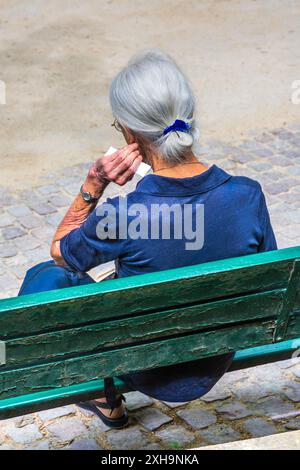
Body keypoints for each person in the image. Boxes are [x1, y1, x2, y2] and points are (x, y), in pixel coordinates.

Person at [19, 50, 277, 429]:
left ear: (128, 132)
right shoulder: (247, 195)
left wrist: (94, 183)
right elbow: (265, 280)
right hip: (214, 357)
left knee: (47, 277)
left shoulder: (126, 215)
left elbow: (61, 252)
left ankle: (103, 396)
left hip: (144, 366)